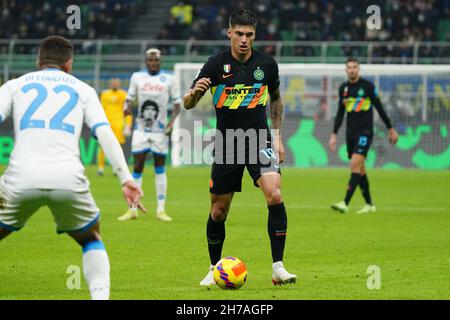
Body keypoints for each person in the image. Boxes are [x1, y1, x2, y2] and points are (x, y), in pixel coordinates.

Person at [0, 36, 144, 300]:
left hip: (19, 178)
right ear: (69, 64)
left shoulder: (14, 85)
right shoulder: (83, 89)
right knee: (91, 238)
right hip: (69, 178)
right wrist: (126, 179)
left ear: (38, 61)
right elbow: (105, 133)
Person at [183, 9, 297, 286]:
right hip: (227, 143)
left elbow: (276, 100)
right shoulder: (214, 65)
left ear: (254, 35)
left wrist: (278, 136)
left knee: (275, 194)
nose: (244, 40)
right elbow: (187, 103)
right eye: (239, 34)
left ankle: (278, 268)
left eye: (249, 35)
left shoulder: (267, 65)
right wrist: (195, 93)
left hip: (259, 141)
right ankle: (213, 268)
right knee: (218, 212)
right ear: (229, 33)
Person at [118, 48, 181, 222]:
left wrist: (171, 123)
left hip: (160, 131)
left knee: (160, 169)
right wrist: (127, 107)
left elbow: (177, 104)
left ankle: (161, 209)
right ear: (146, 62)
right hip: (140, 130)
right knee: (137, 168)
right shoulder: (137, 77)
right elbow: (129, 98)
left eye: (156, 60)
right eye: (150, 60)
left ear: (160, 61)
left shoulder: (170, 79)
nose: (153, 63)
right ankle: (132, 209)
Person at [329, 57, 398, 214]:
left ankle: (345, 203)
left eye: (354, 67)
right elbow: (340, 112)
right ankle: (369, 204)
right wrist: (334, 133)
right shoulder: (344, 89)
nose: (352, 70)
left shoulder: (367, 87)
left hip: (365, 132)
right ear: (346, 70)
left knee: (354, 164)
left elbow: (380, 108)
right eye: (349, 67)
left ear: (358, 69)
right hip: (350, 133)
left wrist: (391, 128)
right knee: (360, 169)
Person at [97, 78, 132, 176]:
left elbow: (127, 110)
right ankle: (101, 168)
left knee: (118, 147)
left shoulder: (123, 94)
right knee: (103, 145)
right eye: (113, 83)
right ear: (110, 84)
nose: (114, 84)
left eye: (116, 83)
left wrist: (128, 124)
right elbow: (101, 108)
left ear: (119, 84)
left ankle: (116, 168)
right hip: (106, 123)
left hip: (119, 123)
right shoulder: (105, 94)